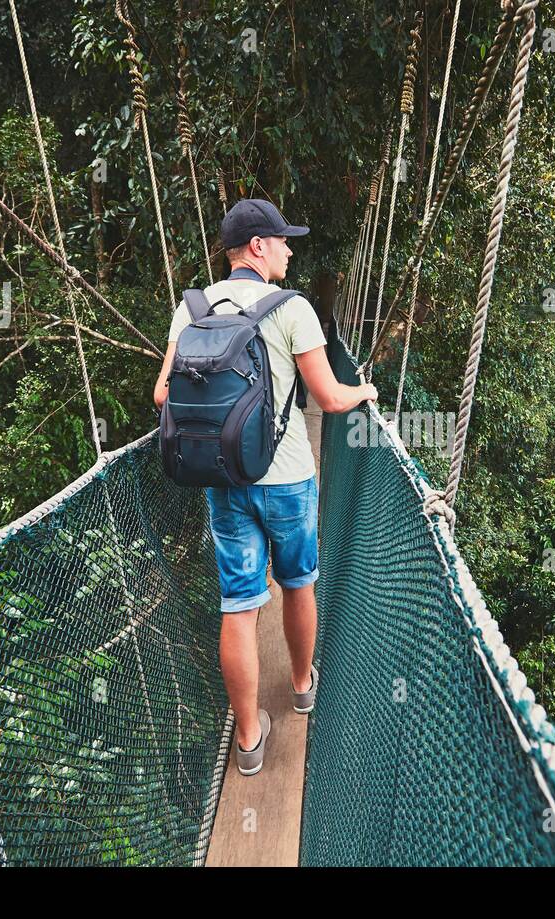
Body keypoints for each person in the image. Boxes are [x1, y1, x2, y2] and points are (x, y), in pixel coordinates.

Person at [153, 198, 378, 775]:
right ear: (257, 246)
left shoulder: (192, 308)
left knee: (240, 604)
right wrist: (365, 393)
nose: (290, 249)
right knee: (299, 582)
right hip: (290, 480)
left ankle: (249, 739)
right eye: (282, 240)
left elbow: (162, 396)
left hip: (223, 479)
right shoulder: (293, 308)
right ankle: (302, 686)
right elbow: (328, 398)